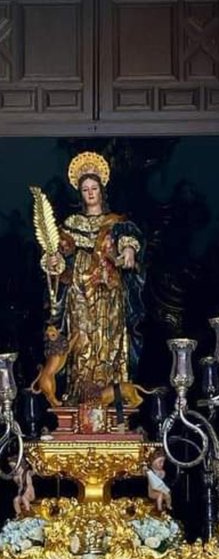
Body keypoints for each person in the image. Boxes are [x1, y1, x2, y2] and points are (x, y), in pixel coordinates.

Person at [37, 151, 145, 405]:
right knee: (82, 340)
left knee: (108, 339)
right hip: (79, 293)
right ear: (80, 193)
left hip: (108, 293)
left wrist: (128, 249)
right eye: (85, 189)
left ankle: (112, 395)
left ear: (101, 190)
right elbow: (57, 257)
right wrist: (54, 263)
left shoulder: (116, 222)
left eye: (94, 188)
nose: (90, 193)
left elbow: (130, 237)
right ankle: (82, 395)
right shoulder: (71, 224)